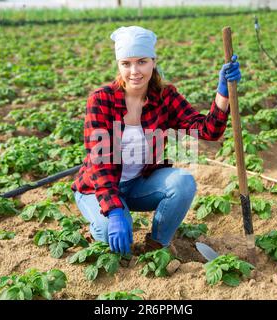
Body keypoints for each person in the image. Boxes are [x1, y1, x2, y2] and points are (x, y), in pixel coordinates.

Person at [71, 26, 241, 256]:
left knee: (183, 183)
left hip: (138, 184)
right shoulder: (102, 99)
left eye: (142, 61)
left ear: (153, 61)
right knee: (106, 231)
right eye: (126, 63)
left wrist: (223, 92)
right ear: (118, 65)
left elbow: (207, 130)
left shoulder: (164, 96)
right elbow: (100, 162)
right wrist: (114, 211)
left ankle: (157, 246)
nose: (134, 71)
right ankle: (105, 224)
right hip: (97, 188)